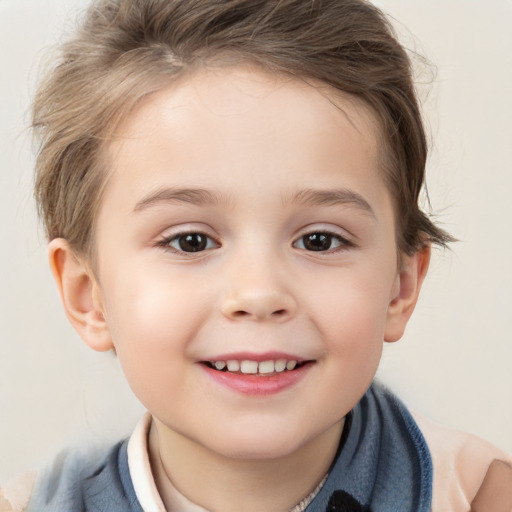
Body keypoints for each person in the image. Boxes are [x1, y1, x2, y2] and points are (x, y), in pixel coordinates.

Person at [1, 0, 510, 511]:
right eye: (190, 241)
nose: (260, 293)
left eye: (319, 240)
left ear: (401, 285)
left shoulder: (481, 495)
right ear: (88, 296)